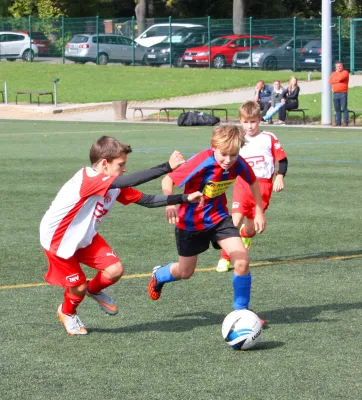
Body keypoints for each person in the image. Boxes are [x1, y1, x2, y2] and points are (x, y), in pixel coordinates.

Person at [40, 136, 203, 336]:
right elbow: (129, 180)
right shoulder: (89, 179)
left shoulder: (112, 186)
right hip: (58, 240)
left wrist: (185, 198)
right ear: (103, 164)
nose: (124, 169)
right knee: (78, 286)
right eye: (120, 164)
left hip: (83, 236)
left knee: (114, 270)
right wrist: (167, 167)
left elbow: (147, 200)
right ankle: (67, 312)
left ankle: (94, 289)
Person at [147, 125, 266, 319]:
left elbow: (252, 181)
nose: (228, 161)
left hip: (219, 219)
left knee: (242, 261)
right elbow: (167, 180)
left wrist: (259, 212)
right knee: (185, 272)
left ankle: (241, 312)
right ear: (214, 146)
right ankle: (159, 274)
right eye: (224, 155)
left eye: (233, 155)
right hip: (190, 223)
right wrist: (169, 202)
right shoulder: (201, 161)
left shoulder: (238, 163)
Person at [216, 101, 288, 273]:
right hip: (242, 184)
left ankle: (246, 237)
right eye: (246, 122)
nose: (249, 126)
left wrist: (280, 176)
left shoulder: (269, 138)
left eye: (253, 121)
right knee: (234, 221)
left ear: (259, 119)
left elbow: (283, 160)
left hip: (263, 187)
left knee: (250, 229)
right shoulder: (238, 139)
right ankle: (225, 258)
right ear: (240, 121)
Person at [329, 61, 349, 127]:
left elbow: (340, 78)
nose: (338, 67)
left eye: (340, 66)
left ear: (342, 66)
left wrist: (336, 80)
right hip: (335, 93)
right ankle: (338, 122)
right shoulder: (333, 73)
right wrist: (336, 80)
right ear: (335, 67)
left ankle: (345, 122)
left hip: (343, 93)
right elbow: (330, 81)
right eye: (337, 66)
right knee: (337, 109)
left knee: (344, 108)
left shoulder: (345, 72)